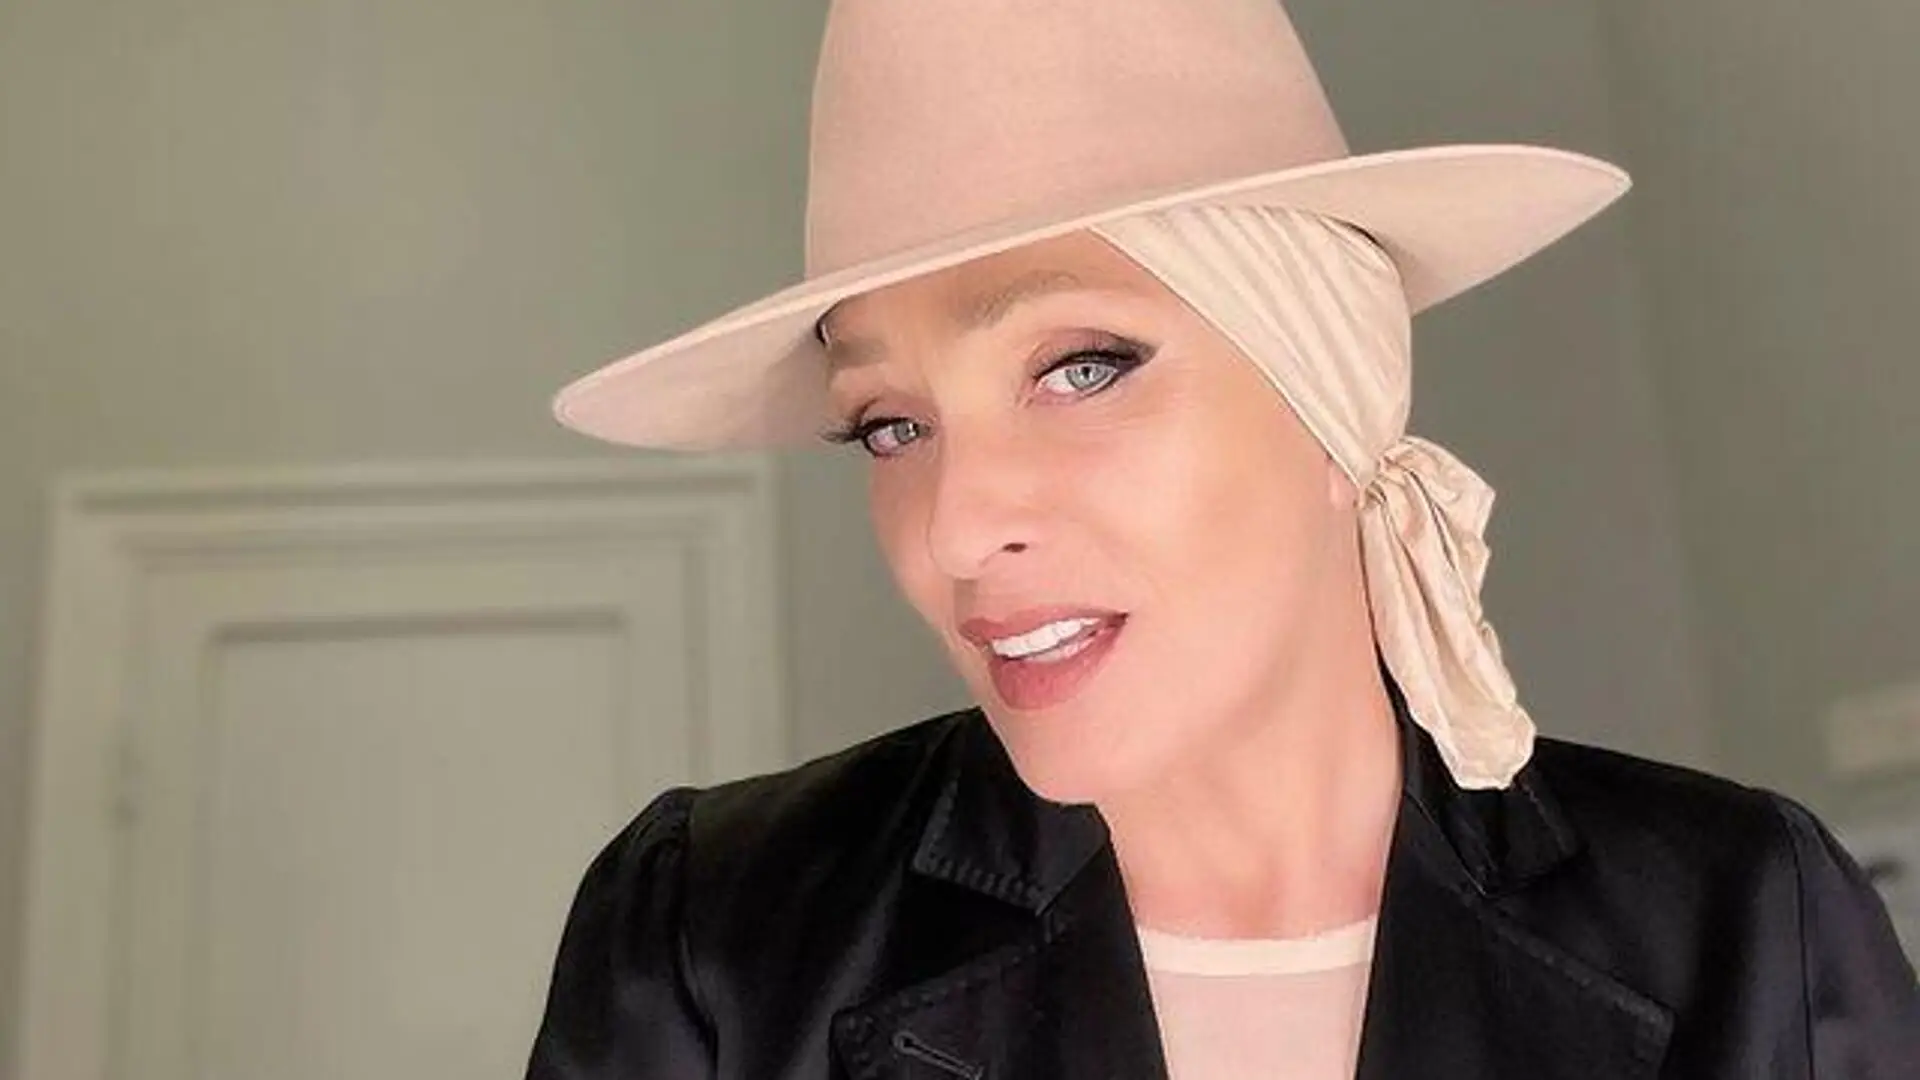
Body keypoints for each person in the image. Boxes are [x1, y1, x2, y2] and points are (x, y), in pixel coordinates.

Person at [524, 0, 1920, 1076]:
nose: (957, 527)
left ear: (1336, 391)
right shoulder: (712, 938)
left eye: (1081, 368)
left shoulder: (1747, 924)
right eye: (889, 426)